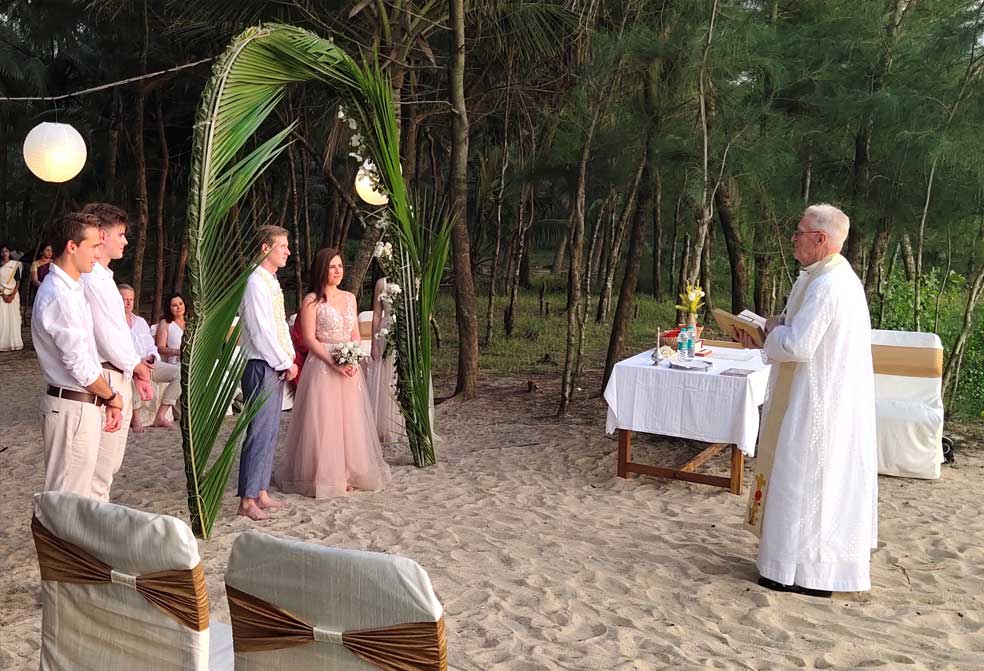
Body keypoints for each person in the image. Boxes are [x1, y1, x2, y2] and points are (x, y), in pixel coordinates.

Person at [736, 203, 877, 597]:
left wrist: (769, 335)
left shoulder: (831, 285)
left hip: (819, 403)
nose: (793, 238)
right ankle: (783, 565)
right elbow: (791, 325)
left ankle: (808, 575)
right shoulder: (816, 277)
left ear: (821, 239)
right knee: (794, 480)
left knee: (806, 482)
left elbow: (798, 345)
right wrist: (767, 327)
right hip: (809, 394)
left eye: (800, 232)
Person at [275, 248, 391, 498]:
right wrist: (333, 361)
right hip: (322, 365)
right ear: (321, 270)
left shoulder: (349, 298)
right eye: (332, 267)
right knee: (325, 420)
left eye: (340, 266)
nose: (338, 271)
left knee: (349, 420)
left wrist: (353, 358)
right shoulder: (312, 301)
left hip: (348, 364)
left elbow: (354, 334)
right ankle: (328, 474)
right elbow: (308, 338)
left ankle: (350, 471)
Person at [31, 213, 124, 496]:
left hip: (80, 403)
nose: (98, 254)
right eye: (94, 246)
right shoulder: (59, 295)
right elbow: (80, 365)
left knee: (78, 498)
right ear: (72, 246)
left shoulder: (73, 287)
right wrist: (112, 396)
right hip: (72, 404)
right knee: (68, 500)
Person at [78, 204, 154, 501]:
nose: (124, 241)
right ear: (101, 235)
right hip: (107, 371)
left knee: (108, 465)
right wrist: (137, 365)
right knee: (101, 466)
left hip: (117, 369)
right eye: (120, 234)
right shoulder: (92, 278)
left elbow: (119, 332)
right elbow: (109, 335)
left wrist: (135, 370)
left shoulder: (104, 278)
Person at [237, 225, 298, 520]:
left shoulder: (270, 282)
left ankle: (260, 491)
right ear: (265, 248)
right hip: (260, 363)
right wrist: (284, 361)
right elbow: (261, 331)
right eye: (282, 246)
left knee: (271, 430)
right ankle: (247, 498)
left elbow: (280, 326)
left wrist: (288, 357)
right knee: (259, 431)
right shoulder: (254, 283)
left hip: (273, 363)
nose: (287, 251)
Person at [119, 284, 181, 432]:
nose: (128, 303)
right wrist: (138, 363)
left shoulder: (140, 322)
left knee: (180, 373)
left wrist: (152, 357)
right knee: (132, 376)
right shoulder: (113, 322)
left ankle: (161, 414)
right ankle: (136, 419)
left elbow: (151, 346)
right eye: (124, 299)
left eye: (131, 299)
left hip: (150, 363)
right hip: (129, 365)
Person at [366, 271, 407, 446]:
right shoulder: (382, 283)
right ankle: (386, 425)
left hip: (406, 332)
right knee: (386, 378)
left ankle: (406, 425)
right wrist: (373, 343)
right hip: (386, 333)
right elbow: (376, 314)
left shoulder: (414, 279)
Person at [0, 243, 24, 351]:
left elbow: (18, 282)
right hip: (1, 294)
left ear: (10, 253)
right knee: (2, 318)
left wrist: (12, 295)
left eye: (6, 251)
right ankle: (2, 343)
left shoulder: (15, 265)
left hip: (13, 294)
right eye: (2, 251)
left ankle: (14, 342)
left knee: (13, 318)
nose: (4, 253)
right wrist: (3, 294)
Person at [156, 292, 187, 368]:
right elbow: (160, 348)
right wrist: (177, 352)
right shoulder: (165, 323)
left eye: (180, 304)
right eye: (174, 305)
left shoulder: (191, 322)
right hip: (176, 364)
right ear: (169, 308)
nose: (179, 307)